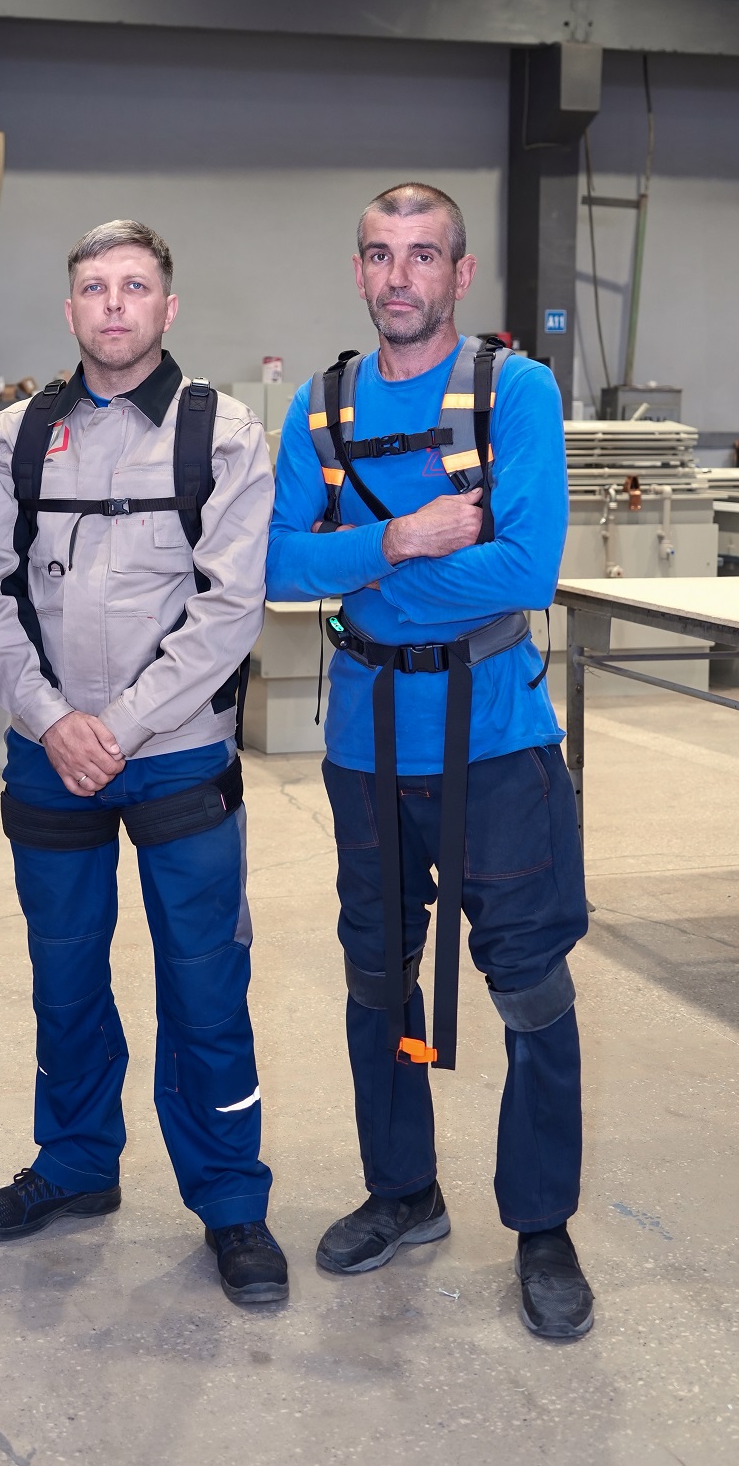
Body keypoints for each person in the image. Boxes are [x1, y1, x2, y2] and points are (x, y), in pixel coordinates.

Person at [267, 184, 594, 1340]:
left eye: (421, 255)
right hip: (366, 746)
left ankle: (542, 1224)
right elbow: (274, 564)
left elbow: (524, 570)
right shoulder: (320, 407)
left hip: (496, 739)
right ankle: (403, 1187)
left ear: (460, 273)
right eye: (378, 254)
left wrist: (362, 578)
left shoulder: (516, 391)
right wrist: (398, 539)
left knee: (527, 982)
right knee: (377, 973)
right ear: (358, 269)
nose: (397, 275)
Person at [0, 220, 287, 1304]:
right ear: (70, 310)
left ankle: (231, 1201)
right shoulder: (15, 437)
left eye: (134, 285)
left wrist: (122, 726)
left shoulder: (223, 434)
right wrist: (53, 719)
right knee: (63, 976)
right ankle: (74, 1163)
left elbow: (229, 607)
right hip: (49, 756)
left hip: (178, 758)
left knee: (205, 987)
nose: (113, 304)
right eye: (94, 287)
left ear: (166, 307)